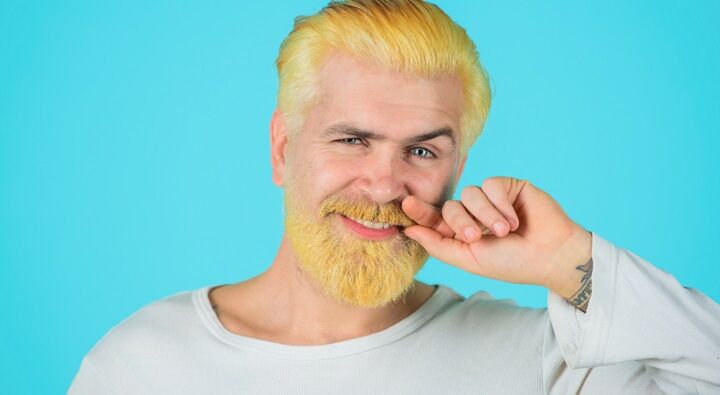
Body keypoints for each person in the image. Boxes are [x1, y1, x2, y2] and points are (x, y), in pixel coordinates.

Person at [68, 1, 720, 394]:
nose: (383, 186)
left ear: (457, 168)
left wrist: (571, 262)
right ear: (281, 148)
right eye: (352, 139)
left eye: (423, 151)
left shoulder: (537, 362)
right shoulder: (142, 364)